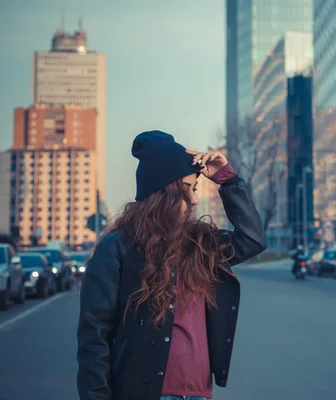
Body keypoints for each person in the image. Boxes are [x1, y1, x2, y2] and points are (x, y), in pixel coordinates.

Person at [77, 131, 267, 400]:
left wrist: (227, 179)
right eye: (186, 189)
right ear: (160, 194)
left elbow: (253, 240)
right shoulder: (117, 248)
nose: (193, 200)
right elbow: (94, 338)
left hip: (199, 394)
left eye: (195, 188)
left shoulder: (199, 245)